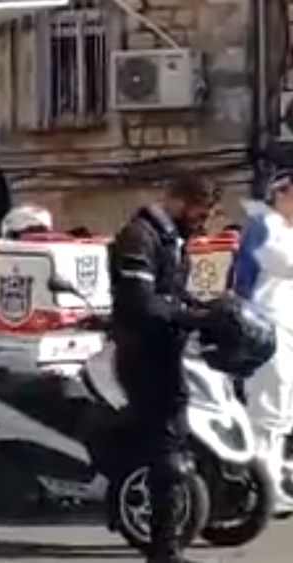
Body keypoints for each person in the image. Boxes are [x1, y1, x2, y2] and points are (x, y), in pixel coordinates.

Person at [108, 173, 220, 563]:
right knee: (166, 455)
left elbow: (171, 295)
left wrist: (207, 309)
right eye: (199, 213)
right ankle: (163, 550)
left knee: (170, 449)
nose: (201, 223)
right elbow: (141, 303)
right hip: (143, 357)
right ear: (180, 200)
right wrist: (191, 317)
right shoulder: (139, 238)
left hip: (164, 356)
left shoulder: (171, 242)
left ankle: (164, 544)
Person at [232, 171, 293, 512]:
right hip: (265, 327)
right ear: (281, 193)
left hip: (283, 327)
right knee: (268, 408)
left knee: (282, 410)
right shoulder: (265, 224)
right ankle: (258, 489)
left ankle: (269, 486)